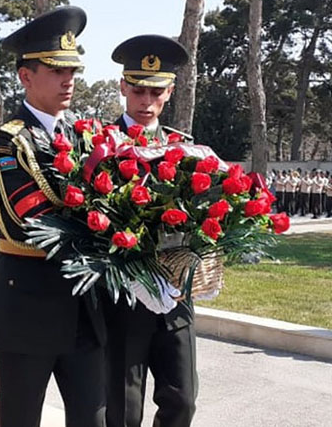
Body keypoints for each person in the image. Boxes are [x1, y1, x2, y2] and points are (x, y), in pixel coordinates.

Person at [0, 6, 107, 427]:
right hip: (26, 304)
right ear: (25, 76)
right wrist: (106, 224)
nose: (68, 79)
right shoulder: (6, 141)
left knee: (92, 419)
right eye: (56, 70)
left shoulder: (87, 136)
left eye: (72, 69)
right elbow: (28, 221)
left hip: (85, 307)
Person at [105, 35, 197, 427]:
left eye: (156, 91)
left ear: (170, 92)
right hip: (123, 302)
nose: (146, 101)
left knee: (183, 399)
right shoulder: (98, 147)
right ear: (123, 87)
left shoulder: (187, 150)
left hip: (175, 296)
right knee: (124, 410)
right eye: (138, 90)